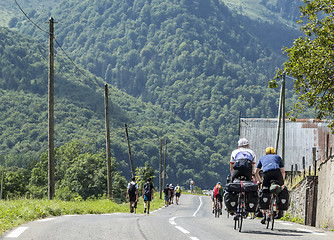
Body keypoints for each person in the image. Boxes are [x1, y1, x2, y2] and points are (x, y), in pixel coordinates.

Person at [254, 146, 285, 224]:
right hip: (277, 173)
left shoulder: (262, 158)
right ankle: (279, 209)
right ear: (274, 153)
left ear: (266, 153)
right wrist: (282, 183)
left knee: (264, 192)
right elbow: (283, 171)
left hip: (267, 174)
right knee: (280, 189)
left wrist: (260, 181)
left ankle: (264, 215)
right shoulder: (278, 157)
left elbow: (256, 172)